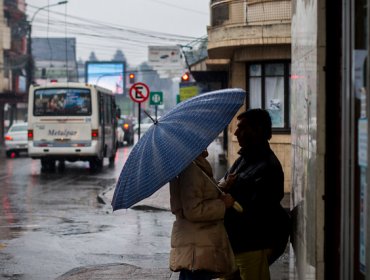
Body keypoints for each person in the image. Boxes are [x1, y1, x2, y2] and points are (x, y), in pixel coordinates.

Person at [220, 109, 290, 280]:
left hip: (254, 244)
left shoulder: (268, 165)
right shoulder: (243, 159)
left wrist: (233, 202)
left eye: (242, 127)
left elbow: (262, 210)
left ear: (258, 130)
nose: (236, 132)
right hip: (235, 244)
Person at [169, 149, 236, 280]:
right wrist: (223, 205)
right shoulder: (191, 170)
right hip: (197, 249)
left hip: (198, 246)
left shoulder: (195, 165)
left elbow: (203, 192)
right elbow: (193, 210)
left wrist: (224, 185)